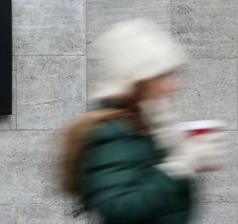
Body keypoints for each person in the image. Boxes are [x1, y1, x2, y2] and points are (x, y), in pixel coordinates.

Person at [60, 19, 228, 224]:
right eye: (163, 75)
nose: (176, 85)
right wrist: (180, 166)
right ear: (141, 80)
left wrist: (183, 156)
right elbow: (119, 208)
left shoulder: (145, 123)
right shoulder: (113, 131)